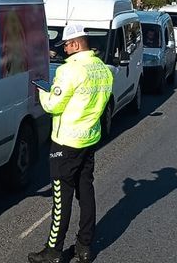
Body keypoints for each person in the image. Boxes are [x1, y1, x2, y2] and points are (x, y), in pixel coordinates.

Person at [28, 23, 113, 263]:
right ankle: (85, 246)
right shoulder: (102, 68)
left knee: (61, 197)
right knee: (85, 191)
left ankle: (53, 251)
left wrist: (43, 90)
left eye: (65, 45)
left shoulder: (69, 71)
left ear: (75, 44)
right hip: (90, 139)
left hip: (66, 143)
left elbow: (52, 105)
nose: (64, 49)